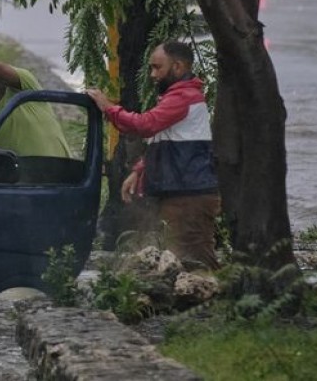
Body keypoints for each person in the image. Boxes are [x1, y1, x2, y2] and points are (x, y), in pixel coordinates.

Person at [86, 41, 221, 270]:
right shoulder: (178, 96)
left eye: (157, 67)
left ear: (177, 67)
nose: (152, 74)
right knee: (185, 261)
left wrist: (107, 106)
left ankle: (220, 302)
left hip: (188, 197)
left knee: (197, 263)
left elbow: (145, 125)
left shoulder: (184, 97)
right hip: (182, 194)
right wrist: (139, 172)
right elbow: (165, 141)